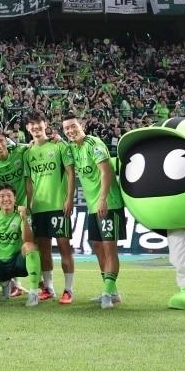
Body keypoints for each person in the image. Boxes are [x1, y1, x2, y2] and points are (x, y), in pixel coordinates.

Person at [62, 115, 124, 309]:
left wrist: (103, 199)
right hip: (91, 206)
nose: (70, 131)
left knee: (109, 247)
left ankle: (107, 292)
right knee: (96, 245)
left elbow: (106, 172)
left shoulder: (94, 144)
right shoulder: (72, 148)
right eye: (66, 129)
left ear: (81, 125)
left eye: (73, 127)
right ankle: (112, 292)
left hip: (109, 204)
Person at [24, 111, 76, 303]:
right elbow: (28, 181)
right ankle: (49, 288)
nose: (35, 127)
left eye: (38, 123)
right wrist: (29, 205)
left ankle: (69, 290)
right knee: (44, 249)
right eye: (31, 125)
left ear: (45, 124)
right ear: (28, 129)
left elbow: (71, 173)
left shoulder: (59, 145)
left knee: (64, 247)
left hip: (59, 205)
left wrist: (69, 198)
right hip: (38, 208)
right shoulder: (28, 152)